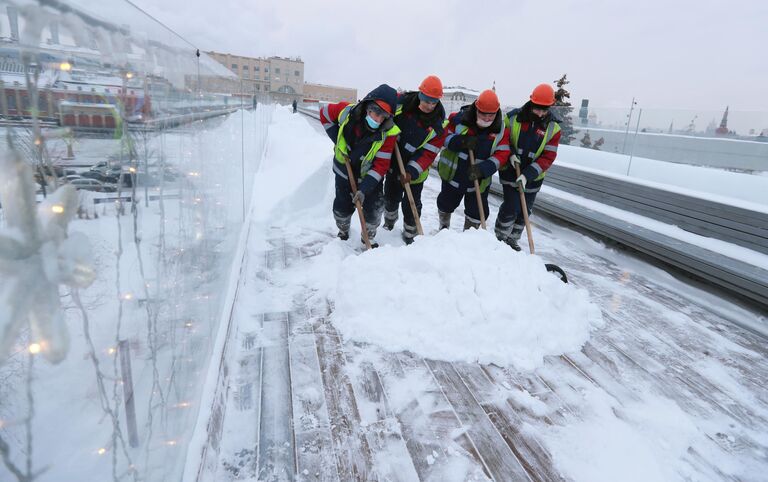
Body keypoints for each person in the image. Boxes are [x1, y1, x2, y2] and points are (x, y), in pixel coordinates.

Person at [319, 84, 400, 247]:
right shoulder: (346, 112)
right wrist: (337, 139)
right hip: (344, 170)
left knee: (374, 208)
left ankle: (368, 235)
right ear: (367, 107)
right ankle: (343, 230)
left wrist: (365, 188)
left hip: (369, 175)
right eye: (376, 112)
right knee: (342, 205)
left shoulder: (388, 133)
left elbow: (381, 165)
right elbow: (324, 114)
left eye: (383, 116)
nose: (377, 119)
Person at [494, 83, 562, 250]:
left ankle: (513, 239)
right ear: (531, 102)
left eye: (544, 110)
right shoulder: (512, 118)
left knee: (525, 212)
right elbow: (503, 140)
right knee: (511, 206)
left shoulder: (553, 128)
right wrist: (510, 155)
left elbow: (548, 156)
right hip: (511, 172)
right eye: (537, 108)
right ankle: (500, 238)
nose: (540, 113)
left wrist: (527, 175)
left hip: (533, 178)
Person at [382, 75, 446, 244]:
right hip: (393, 163)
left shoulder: (438, 126)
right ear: (420, 94)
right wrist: (388, 127)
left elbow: (429, 153)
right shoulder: (402, 104)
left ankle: (410, 233)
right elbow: (384, 110)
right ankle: (389, 223)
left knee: (412, 205)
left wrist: (411, 171)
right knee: (390, 197)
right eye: (426, 100)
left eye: (434, 102)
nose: (430, 106)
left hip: (416, 172)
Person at [436, 89, 511, 230]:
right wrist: (460, 141)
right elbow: (443, 137)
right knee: (446, 204)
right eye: (483, 114)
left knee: (477, 212)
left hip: (478, 179)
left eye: (491, 115)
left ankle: (470, 237)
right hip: (454, 175)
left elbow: (503, 154)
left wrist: (484, 169)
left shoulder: (501, 131)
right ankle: (444, 227)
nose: (487, 118)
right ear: (476, 109)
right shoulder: (458, 119)